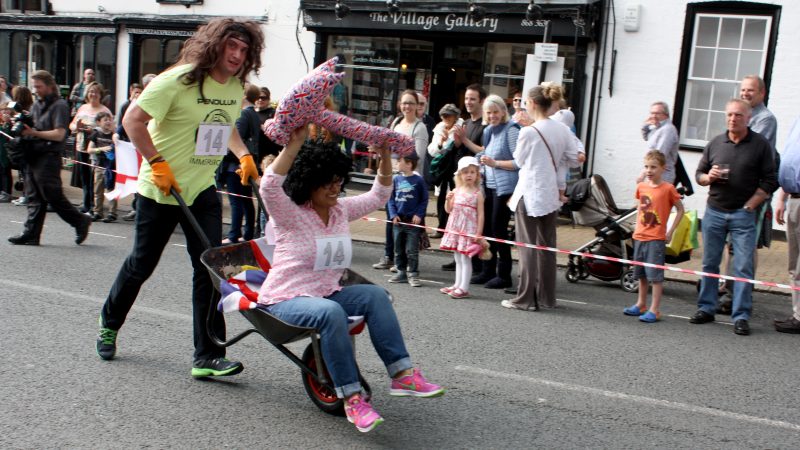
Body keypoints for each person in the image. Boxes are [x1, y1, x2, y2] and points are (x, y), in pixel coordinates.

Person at [95, 19, 264, 378]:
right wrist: (156, 162)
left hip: (201, 190)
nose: (236, 55)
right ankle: (109, 321)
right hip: (161, 190)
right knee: (142, 265)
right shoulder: (179, 79)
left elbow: (224, 123)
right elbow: (132, 121)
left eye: (243, 50)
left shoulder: (235, 87)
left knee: (211, 269)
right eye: (231, 46)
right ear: (215, 45)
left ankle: (208, 355)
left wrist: (244, 154)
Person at [258, 128, 444, 433]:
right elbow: (268, 188)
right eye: (327, 183)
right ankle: (353, 398)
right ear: (308, 182)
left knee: (375, 295)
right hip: (286, 299)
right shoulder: (290, 214)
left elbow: (380, 194)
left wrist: (384, 156)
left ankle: (402, 374)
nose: (335, 189)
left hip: (325, 294)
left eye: (338, 181)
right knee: (331, 313)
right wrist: (294, 144)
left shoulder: (340, 210)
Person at [690, 98, 778, 336]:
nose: (732, 119)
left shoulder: (760, 145)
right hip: (715, 211)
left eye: (738, 115)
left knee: (743, 267)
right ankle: (706, 308)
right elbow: (699, 174)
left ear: (748, 118)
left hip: (743, 215)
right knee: (709, 263)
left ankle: (740, 316)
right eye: (729, 114)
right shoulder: (716, 142)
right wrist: (708, 178)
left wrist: (751, 205)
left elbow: (771, 180)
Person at [501, 84, 580, 311]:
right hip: (550, 194)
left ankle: (525, 298)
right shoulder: (562, 129)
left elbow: (518, 160)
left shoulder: (529, 131)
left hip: (530, 192)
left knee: (527, 248)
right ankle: (547, 297)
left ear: (533, 103)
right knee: (547, 248)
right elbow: (574, 158)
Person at [716, 75, 781, 312]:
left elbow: (747, 147)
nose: (745, 93)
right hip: (732, 192)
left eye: (750, 90)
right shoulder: (743, 115)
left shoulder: (766, 119)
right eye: (743, 90)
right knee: (729, 243)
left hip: (752, 193)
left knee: (745, 244)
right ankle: (727, 285)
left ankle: (741, 292)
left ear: (762, 93)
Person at [7, 70, 92, 246]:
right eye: (34, 86)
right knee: (33, 196)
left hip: (49, 156)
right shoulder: (37, 105)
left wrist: (33, 132)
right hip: (33, 153)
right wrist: (23, 122)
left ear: (49, 86)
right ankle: (31, 233)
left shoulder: (60, 105)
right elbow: (36, 125)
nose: (36, 90)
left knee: (52, 195)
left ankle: (80, 221)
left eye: (38, 86)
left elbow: (60, 134)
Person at [623, 151, 684, 322]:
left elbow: (680, 209)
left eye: (653, 167)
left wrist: (670, 232)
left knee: (655, 276)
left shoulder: (668, 189)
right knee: (640, 274)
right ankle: (641, 304)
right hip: (639, 236)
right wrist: (636, 226)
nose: (649, 170)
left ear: (663, 168)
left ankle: (654, 309)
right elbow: (640, 207)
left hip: (655, 238)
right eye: (647, 167)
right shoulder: (642, 187)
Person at [373, 90, 429, 270]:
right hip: (393, 176)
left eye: (411, 103)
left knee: (405, 223)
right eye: (404, 103)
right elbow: (388, 146)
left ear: (417, 106)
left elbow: (416, 156)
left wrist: (393, 154)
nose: (407, 107)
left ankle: (402, 260)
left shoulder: (419, 127)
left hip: (409, 180)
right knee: (391, 217)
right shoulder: (397, 122)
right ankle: (389, 255)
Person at [474, 94, 520, 289]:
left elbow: (520, 162)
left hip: (506, 188)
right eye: (489, 112)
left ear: (503, 111)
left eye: (495, 112)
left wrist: (495, 163)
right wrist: (479, 159)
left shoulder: (512, 130)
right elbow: (485, 153)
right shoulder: (489, 130)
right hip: (489, 186)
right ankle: (487, 270)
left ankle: (504, 275)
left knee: (498, 229)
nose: (492, 116)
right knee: (487, 229)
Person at [442, 84, 487, 272]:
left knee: (472, 218)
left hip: (476, 179)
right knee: (456, 215)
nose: (468, 102)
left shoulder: (485, 126)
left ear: (481, 101)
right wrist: (455, 141)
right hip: (461, 177)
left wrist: (466, 141)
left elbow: (484, 151)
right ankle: (458, 255)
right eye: (467, 98)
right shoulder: (465, 123)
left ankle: (475, 261)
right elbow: (460, 148)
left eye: (473, 99)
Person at [440, 156, 485, 299]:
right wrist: (447, 199)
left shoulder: (478, 194)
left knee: (465, 259)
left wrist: (478, 233)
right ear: (460, 175)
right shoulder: (456, 190)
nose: (469, 175)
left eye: (472, 172)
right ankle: (457, 284)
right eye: (465, 172)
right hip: (456, 228)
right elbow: (448, 210)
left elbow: (481, 215)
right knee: (458, 258)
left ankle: (464, 288)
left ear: (477, 174)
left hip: (468, 230)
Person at [221, 83, 260, 244]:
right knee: (246, 199)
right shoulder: (254, 114)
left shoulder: (243, 115)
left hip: (235, 165)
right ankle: (248, 233)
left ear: (243, 96)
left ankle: (234, 234)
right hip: (248, 162)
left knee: (236, 201)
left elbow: (236, 139)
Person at [69, 82, 112, 214]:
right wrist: (77, 127)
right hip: (82, 146)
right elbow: (71, 125)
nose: (93, 94)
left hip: (97, 149)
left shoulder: (104, 110)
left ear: (100, 94)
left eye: (96, 92)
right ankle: (86, 203)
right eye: (90, 92)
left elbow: (110, 128)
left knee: (95, 177)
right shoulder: (82, 108)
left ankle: (95, 205)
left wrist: (92, 129)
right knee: (85, 176)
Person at [774, 117, 800, 334]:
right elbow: (791, 161)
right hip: (793, 197)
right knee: (793, 264)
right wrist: (782, 198)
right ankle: (797, 313)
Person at [387, 152, 428, 287]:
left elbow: (424, 199)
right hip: (398, 221)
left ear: (409, 164)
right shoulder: (396, 179)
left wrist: (419, 214)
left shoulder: (419, 181)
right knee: (398, 249)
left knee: (412, 250)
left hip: (412, 222)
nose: (397, 163)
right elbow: (390, 199)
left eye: (400, 161)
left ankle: (413, 274)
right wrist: (393, 215)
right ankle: (401, 272)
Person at [427, 103, 464, 238]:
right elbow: (431, 151)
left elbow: (460, 147)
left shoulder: (461, 127)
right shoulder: (439, 129)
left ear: (455, 116)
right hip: (443, 170)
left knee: (456, 199)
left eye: (448, 115)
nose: (446, 118)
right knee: (442, 199)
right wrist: (440, 143)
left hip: (456, 170)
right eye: (443, 116)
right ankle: (441, 228)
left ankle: (453, 230)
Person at [86, 111, 118, 222]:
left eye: (110, 119)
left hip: (112, 167)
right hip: (99, 166)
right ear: (99, 122)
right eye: (105, 120)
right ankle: (97, 212)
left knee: (111, 189)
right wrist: (101, 149)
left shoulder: (115, 134)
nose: (108, 122)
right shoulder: (96, 134)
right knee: (98, 190)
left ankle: (112, 213)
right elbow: (89, 149)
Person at [638, 101, 678, 184]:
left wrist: (643, 174)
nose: (653, 116)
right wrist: (646, 125)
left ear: (665, 115)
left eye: (657, 113)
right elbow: (645, 137)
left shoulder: (668, 130)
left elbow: (659, 155)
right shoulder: (656, 127)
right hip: (652, 174)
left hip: (663, 177)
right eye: (652, 113)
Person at [9, 86, 33, 206]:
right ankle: (25, 194)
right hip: (21, 143)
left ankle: (27, 195)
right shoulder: (19, 111)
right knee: (23, 172)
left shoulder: (28, 111)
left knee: (27, 172)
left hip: (27, 143)